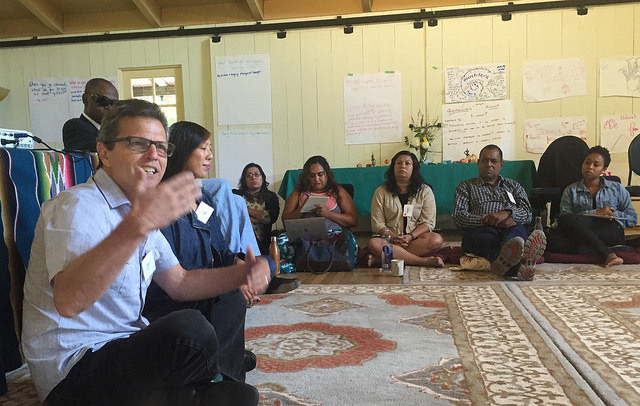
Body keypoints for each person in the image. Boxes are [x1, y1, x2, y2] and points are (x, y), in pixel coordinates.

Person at [22, 100, 269, 406]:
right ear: (104, 152)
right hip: (73, 374)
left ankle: (195, 390)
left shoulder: (139, 209)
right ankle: (204, 384)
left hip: (122, 351)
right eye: (138, 143)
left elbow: (180, 283)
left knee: (235, 383)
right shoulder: (77, 208)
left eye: (162, 147)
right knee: (189, 330)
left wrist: (242, 273)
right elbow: (69, 301)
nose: (154, 154)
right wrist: (139, 224)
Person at [452, 144, 546, 280]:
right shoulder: (466, 187)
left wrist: (508, 213)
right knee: (485, 238)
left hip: (511, 226)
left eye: (494, 161)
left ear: (501, 164)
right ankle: (521, 262)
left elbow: (527, 213)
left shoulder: (514, 186)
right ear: (478, 164)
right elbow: (458, 217)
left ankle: (510, 258)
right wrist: (490, 219)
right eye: (484, 160)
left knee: (517, 235)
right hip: (482, 230)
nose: (489, 164)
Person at [550, 146, 637, 267]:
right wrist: (595, 213)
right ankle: (607, 251)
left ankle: (601, 252)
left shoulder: (617, 189)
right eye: (587, 163)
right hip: (581, 231)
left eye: (596, 165)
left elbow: (632, 219)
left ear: (604, 169)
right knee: (563, 222)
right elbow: (565, 219)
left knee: (560, 243)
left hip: (609, 230)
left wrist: (612, 213)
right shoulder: (571, 190)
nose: (589, 167)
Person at [366, 151, 444, 268]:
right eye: (399, 163)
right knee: (373, 244)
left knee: (436, 240)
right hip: (389, 239)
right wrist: (394, 237)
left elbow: (428, 222)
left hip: (414, 239)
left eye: (407, 163)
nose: (403, 166)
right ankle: (421, 261)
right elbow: (378, 224)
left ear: (414, 169)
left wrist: (410, 236)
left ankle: (380, 259)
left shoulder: (425, 191)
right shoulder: (381, 192)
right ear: (393, 167)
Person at [280, 155, 358, 272]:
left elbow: (353, 220)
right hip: (304, 235)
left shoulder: (338, 191)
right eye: (312, 176)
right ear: (307, 177)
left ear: (327, 174)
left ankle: (327, 263)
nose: (316, 179)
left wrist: (328, 214)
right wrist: (301, 209)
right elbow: (285, 220)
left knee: (348, 241)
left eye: (320, 174)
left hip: (332, 234)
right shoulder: (298, 191)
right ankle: (296, 265)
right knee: (280, 241)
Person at [233, 163, 301, 293]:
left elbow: (269, 218)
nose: (253, 177)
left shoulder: (271, 197)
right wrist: (255, 216)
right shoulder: (235, 194)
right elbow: (233, 216)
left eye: (257, 174)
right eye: (249, 175)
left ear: (262, 178)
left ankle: (262, 284)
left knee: (269, 263)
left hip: (261, 247)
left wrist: (244, 210)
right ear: (244, 180)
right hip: (239, 246)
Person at [63, 78, 119, 152]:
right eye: (104, 101)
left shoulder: (114, 130)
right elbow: (102, 153)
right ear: (86, 99)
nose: (109, 107)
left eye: (113, 103)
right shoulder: (74, 126)